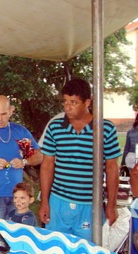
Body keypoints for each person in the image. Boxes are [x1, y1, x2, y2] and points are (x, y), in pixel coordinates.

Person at [38, 78, 121, 242]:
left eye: (73, 102)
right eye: (65, 102)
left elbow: (112, 168)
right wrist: (45, 202)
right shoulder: (55, 127)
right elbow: (47, 165)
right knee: (55, 250)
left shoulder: (105, 129)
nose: (67, 107)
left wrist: (111, 205)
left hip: (90, 205)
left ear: (87, 103)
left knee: (87, 253)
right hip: (58, 203)